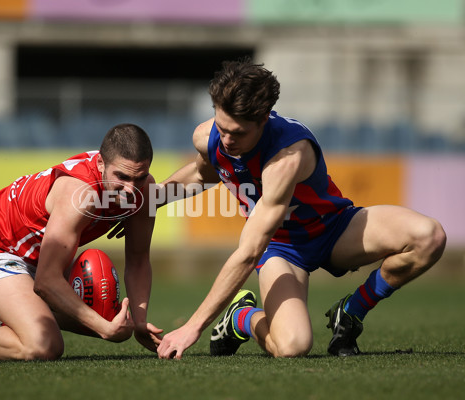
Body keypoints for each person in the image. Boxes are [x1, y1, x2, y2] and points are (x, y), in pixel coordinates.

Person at [155, 59, 446, 359]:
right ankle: (240, 318)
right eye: (222, 127)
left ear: (264, 118)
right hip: (282, 249)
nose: (227, 140)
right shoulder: (207, 137)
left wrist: (193, 327)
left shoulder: (287, 158)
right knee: (292, 347)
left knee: (429, 237)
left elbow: (249, 252)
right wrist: (146, 201)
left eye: (239, 133)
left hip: (335, 228)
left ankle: (350, 313)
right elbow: (203, 174)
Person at [0, 123, 163, 361]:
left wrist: (140, 322)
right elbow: (46, 281)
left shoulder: (144, 190)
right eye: (122, 177)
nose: (130, 190)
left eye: (140, 178)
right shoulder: (80, 195)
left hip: (38, 259)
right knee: (43, 346)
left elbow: (138, 260)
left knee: (119, 322)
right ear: (101, 164)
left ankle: (4, 318)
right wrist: (104, 329)